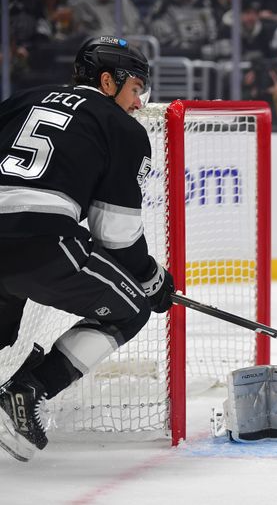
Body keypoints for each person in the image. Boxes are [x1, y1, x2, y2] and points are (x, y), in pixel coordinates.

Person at [0, 36, 175, 462]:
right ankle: (27, 391)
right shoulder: (121, 128)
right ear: (107, 81)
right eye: (136, 89)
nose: (139, 104)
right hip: (40, 242)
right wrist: (152, 280)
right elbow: (115, 235)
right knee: (130, 309)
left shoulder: (20, 99)